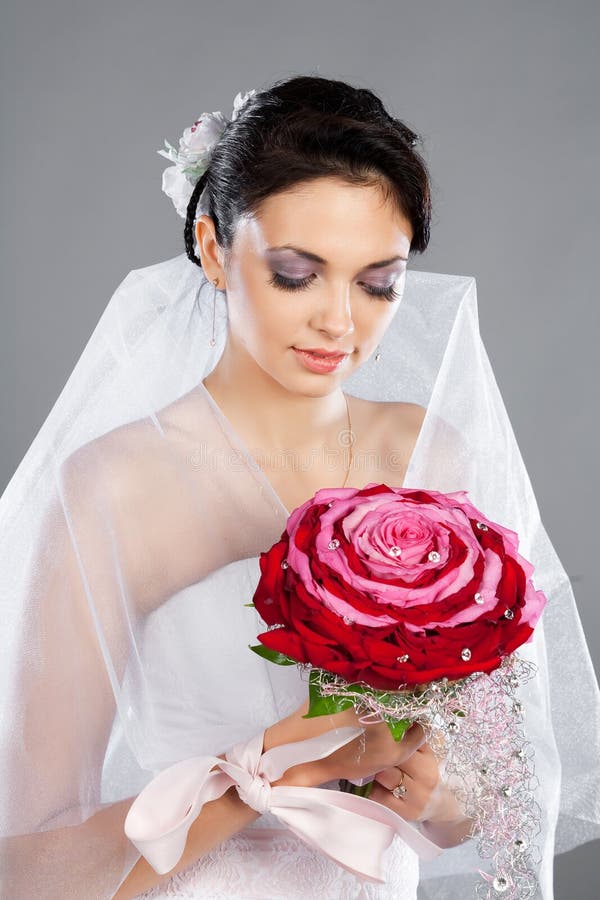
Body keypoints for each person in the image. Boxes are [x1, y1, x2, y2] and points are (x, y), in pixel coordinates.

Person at [1, 74, 599, 900]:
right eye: (296, 274)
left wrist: (441, 796)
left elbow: (494, 798)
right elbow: (29, 872)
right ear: (213, 248)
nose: (340, 323)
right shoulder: (112, 486)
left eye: (377, 282)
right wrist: (287, 753)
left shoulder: (429, 456)